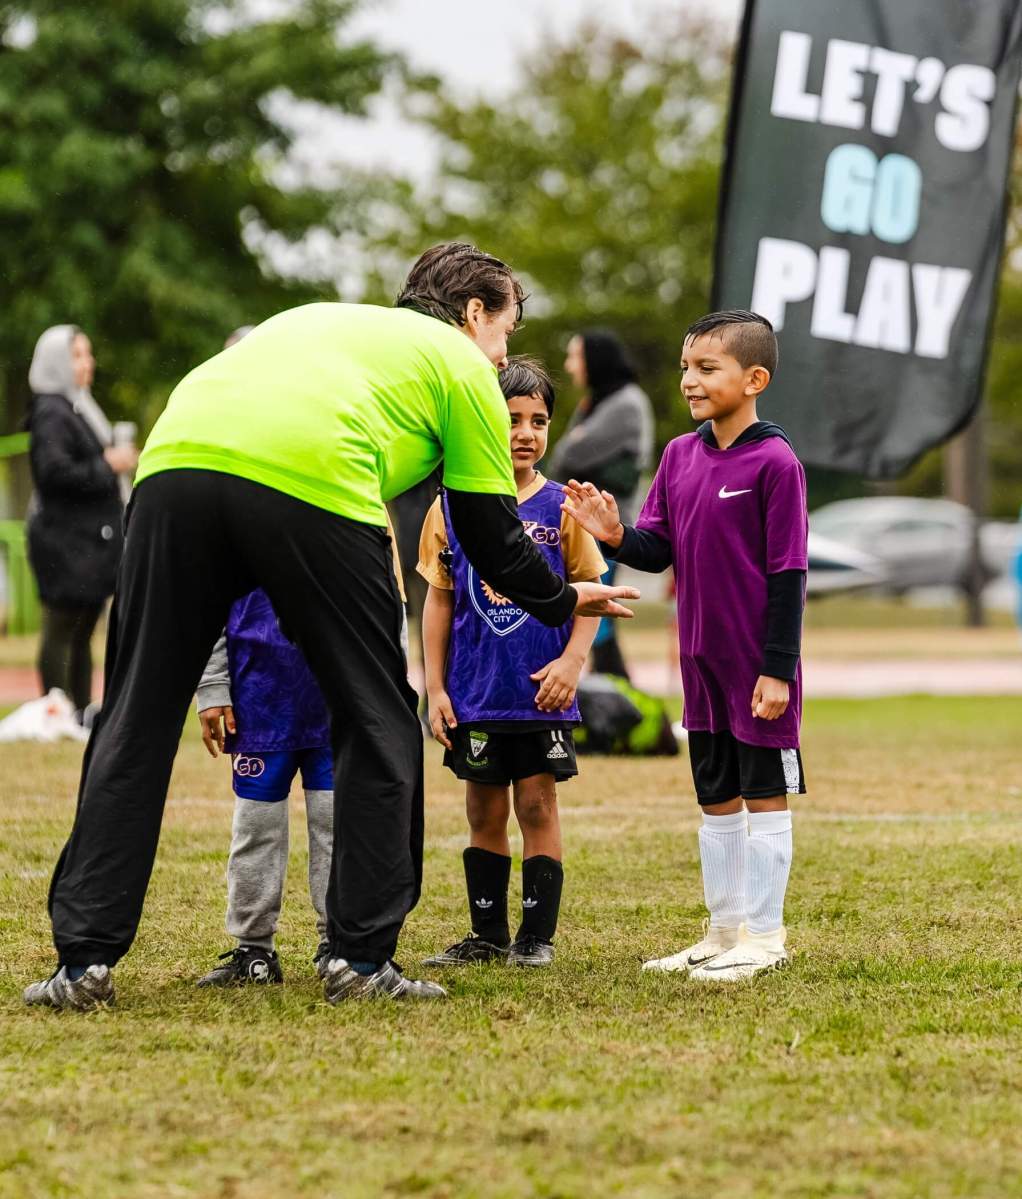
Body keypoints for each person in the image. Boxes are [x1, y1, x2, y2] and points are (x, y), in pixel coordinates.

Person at [25, 242, 638, 1012]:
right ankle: (359, 956)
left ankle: (81, 964)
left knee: (134, 712)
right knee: (378, 715)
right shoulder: (461, 369)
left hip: (173, 458)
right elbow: (491, 534)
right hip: (310, 475)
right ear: (473, 313)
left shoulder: (320, 321)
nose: (505, 352)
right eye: (507, 328)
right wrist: (562, 597)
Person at [563, 310, 807, 982]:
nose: (690, 380)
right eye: (685, 367)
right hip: (698, 665)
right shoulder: (678, 454)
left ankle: (765, 935)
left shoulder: (776, 462)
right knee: (715, 797)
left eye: (707, 367)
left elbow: (790, 574)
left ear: (754, 378)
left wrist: (778, 669)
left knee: (762, 795)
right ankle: (724, 930)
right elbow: (656, 547)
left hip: (757, 668)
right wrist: (613, 534)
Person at [418, 358, 605, 968]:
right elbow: (439, 603)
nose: (525, 433)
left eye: (539, 421)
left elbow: (589, 596)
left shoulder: (563, 508)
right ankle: (486, 935)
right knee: (483, 810)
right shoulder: (451, 507)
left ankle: (535, 939)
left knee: (538, 805)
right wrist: (436, 688)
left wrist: (573, 662)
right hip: (475, 693)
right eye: (511, 419)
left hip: (539, 693)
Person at [193, 519, 407, 988]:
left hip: (338, 706)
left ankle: (338, 942)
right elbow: (208, 603)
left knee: (336, 828)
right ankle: (253, 950)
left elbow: (387, 603)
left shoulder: (352, 500)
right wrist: (212, 686)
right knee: (256, 829)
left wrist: (393, 683)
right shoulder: (238, 509)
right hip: (259, 707)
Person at [24, 326, 137, 722]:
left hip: (86, 540)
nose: (87, 363)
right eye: (77, 355)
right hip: (63, 541)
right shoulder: (52, 410)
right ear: (55, 362)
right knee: (62, 624)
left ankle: (80, 710)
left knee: (84, 626)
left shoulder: (78, 406)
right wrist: (107, 464)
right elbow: (53, 473)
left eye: (88, 354)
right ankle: (56, 709)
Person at [551, 330, 653, 680]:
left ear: (594, 360)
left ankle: (619, 696)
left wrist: (575, 443)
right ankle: (612, 693)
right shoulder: (599, 401)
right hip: (587, 522)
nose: (569, 366)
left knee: (598, 612)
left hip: (606, 527)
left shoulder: (625, 403)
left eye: (574, 357)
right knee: (593, 611)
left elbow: (567, 454)